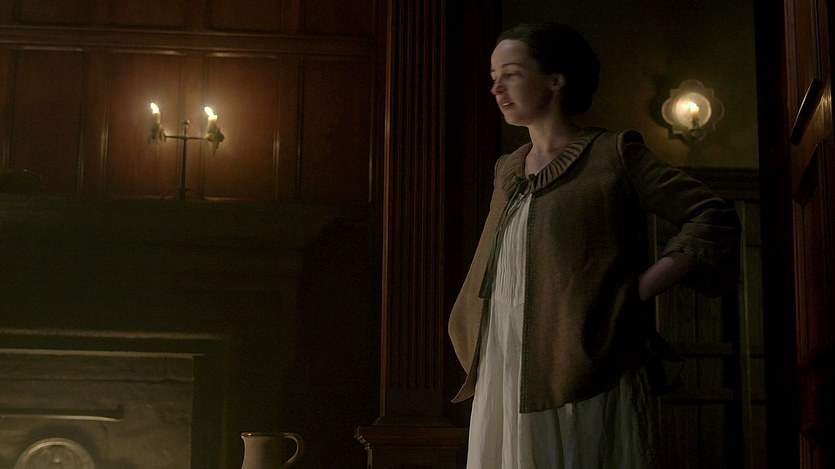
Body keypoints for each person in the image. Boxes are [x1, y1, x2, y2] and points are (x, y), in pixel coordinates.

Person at [447, 22, 740, 468]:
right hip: (505, 359)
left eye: (511, 74)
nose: (496, 88)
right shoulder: (508, 169)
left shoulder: (612, 155)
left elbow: (711, 215)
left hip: (581, 358)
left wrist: (634, 293)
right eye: (493, 77)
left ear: (555, 79)